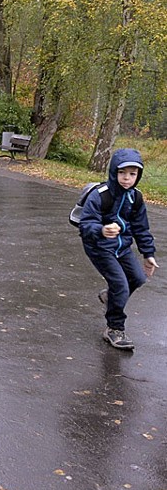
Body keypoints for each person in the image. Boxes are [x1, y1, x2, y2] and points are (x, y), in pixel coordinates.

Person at [78, 148, 158, 350]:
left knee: (138, 278)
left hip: (121, 247)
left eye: (132, 174)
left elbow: (141, 228)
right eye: (122, 173)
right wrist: (102, 229)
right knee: (121, 285)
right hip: (99, 247)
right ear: (114, 172)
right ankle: (114, 328)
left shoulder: (136, 198)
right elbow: (85, 224)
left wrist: (148, 254)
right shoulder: (100, 195)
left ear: (138, 176)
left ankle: (110, 297)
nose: (127, 178)